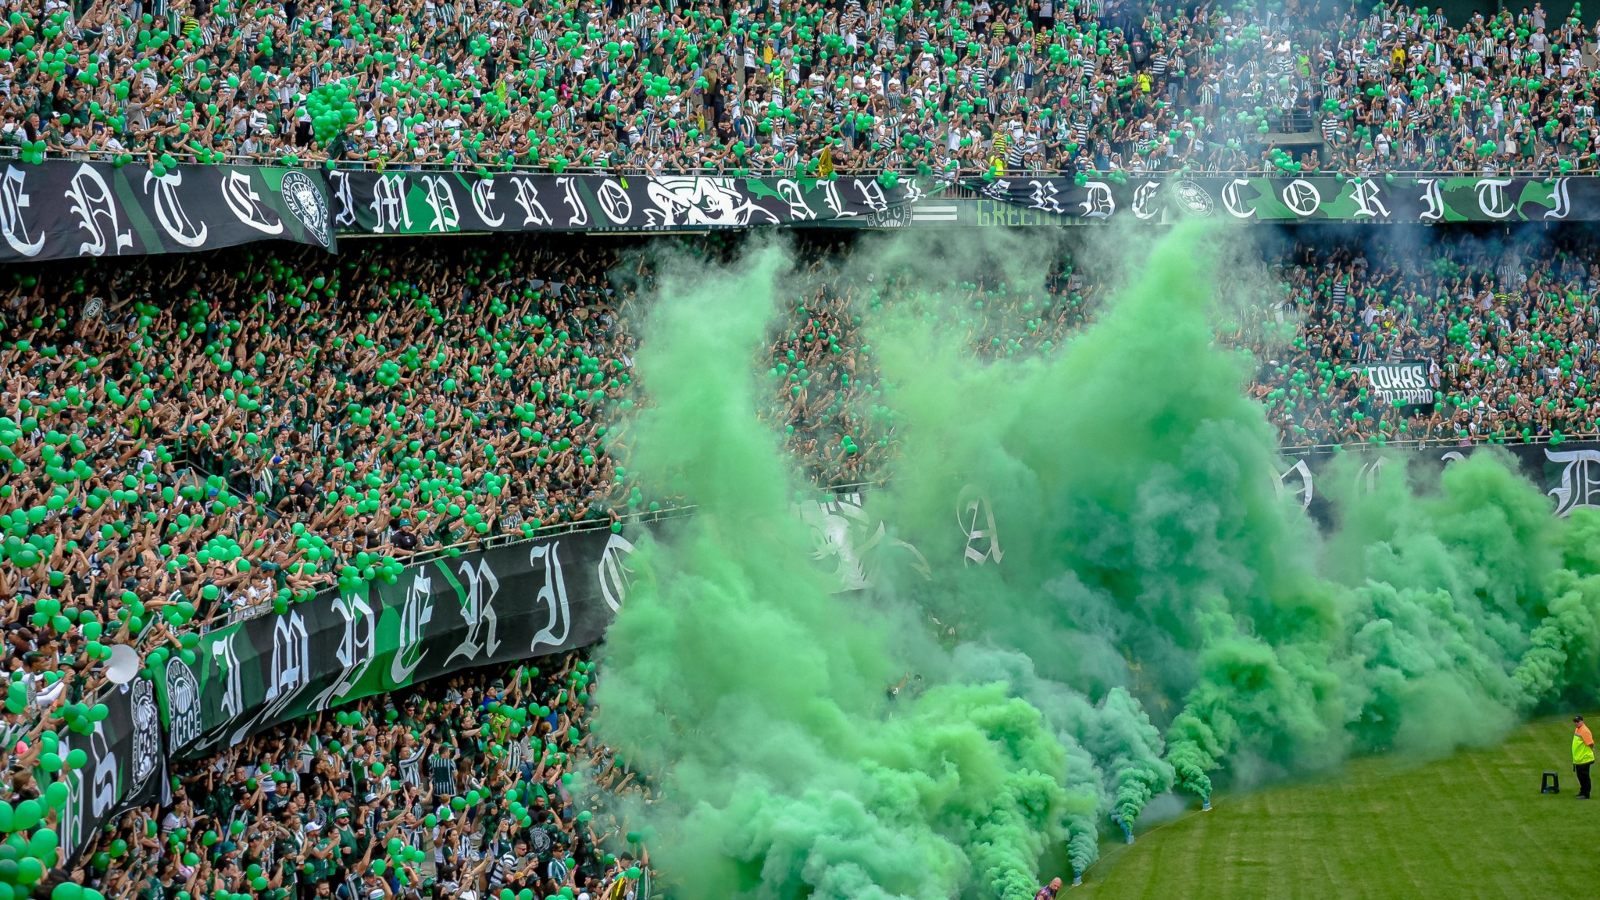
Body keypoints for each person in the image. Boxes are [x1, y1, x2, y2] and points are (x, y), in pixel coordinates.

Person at [1574, 715, 1595, 799]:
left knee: (1584, 777)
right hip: (1579, 759)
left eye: (1578, 721)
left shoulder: (1585, 730)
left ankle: (1586, 794)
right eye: (1575, 721)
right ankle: (1582, 791)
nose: (1576, 723)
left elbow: (1590, 743)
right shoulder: (1577, 729)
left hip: (1585, 758)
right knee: (1580, 776)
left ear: (1582, 721)